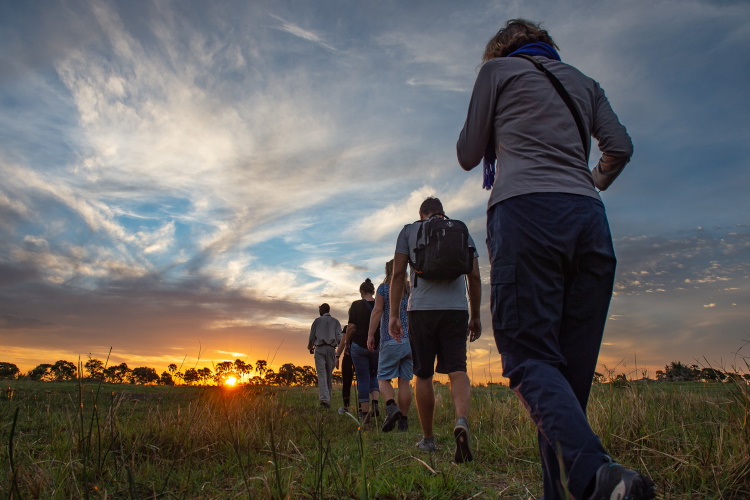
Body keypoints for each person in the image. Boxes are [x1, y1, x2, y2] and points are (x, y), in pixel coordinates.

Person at [456, 19, 654, 499]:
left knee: (528, 358)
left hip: (525, 215)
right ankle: (583, 486)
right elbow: (619, 147)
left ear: (501, 49)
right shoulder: (585, 84)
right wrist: (590, 180)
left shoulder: (497, 73)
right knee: (565, 388)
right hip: (589, 223)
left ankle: (600, 474)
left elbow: (467, 153)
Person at [389, 197, 482, 463]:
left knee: (424, 374)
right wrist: (475, 316)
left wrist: (394, 316)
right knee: (457, 370)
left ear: (422, 214)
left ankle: (428, 440)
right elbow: (473, 277)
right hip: (455, 310)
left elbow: (397, 275)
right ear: (443, 212)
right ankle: (461, 420)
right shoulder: (462, 230)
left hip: (420, 310)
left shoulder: (409, 230)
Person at [367, 259, 412, 432]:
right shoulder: (410, 288)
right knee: (404, 382)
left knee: (383, 378)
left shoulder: (384, 288)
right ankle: (404, 421)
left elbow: (377, 311)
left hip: (390, 338)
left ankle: (391, 407)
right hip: (410, 341)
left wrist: (371, 334)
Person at [337, 278, 380, 422]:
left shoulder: (356, 305)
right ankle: (375, 402)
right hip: (377, 346)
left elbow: (351, 327)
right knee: (374, 375)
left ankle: (365, 414)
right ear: (373, 291)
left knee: (362, 378)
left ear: (361, 292)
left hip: (359, 346)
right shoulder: (380, 304)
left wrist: (347, 342)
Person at [307, 303, 342, 409]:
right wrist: (339, 352)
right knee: (328, 374)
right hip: (331, 349)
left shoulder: (317, 321)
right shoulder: (335, 322)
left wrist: (310, 347)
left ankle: (324, 399)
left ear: (321, 310)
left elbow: (312, 336)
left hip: (320, 348)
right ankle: (327, 398)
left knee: (322, 374)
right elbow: (339, 337)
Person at [337, 325, 356, 414]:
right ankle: (362, 407)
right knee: (362, 381)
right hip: (361, 357)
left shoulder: (347, 328)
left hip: (348, 356)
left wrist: (337, 356)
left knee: (346, 382)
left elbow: (342, 343)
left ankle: (346, 406)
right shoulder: (364, 326)